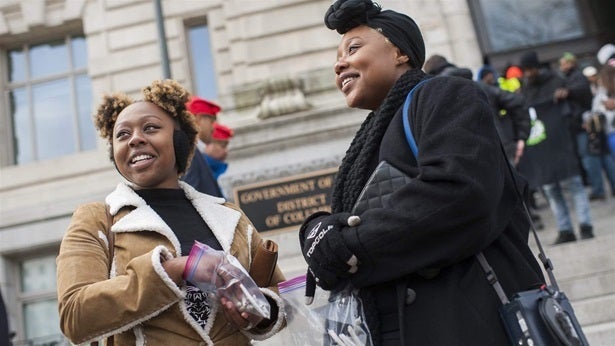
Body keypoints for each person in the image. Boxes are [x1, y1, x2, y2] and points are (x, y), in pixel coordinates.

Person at [298, 1, 545, 345]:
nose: (339, 64)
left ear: (399, 52)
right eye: (338, 56)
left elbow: (460, 194)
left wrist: (348, 246)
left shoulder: (446, 94)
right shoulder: (375, 134)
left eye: (353, 48)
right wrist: (318, 230)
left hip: (468, 324)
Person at [56, 79, 285, 345]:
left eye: (150, 128)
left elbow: (277, 295)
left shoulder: (231, 217)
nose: (136, 139)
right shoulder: (95, 219)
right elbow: (75, 315)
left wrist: (259, 313)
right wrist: (176, 268)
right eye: (122, 134)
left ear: (180, 140)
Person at [517, 50, 594, 244]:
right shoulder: (526, 88)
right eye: (525, 70)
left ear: (536, 67)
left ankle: (585, 225)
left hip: (561, 141)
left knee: (573, 183)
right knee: (551, 188)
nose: (527, 74)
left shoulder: (555, 79)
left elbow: (581, 93)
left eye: (530, 69)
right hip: (542, 147)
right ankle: (565, 229)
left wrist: (566, 95)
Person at [182, 96, 225, 197]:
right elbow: (192, 197)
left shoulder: (196, 151)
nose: (214, 128)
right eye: (211, 121)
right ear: (199, 119)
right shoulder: (190, 153)